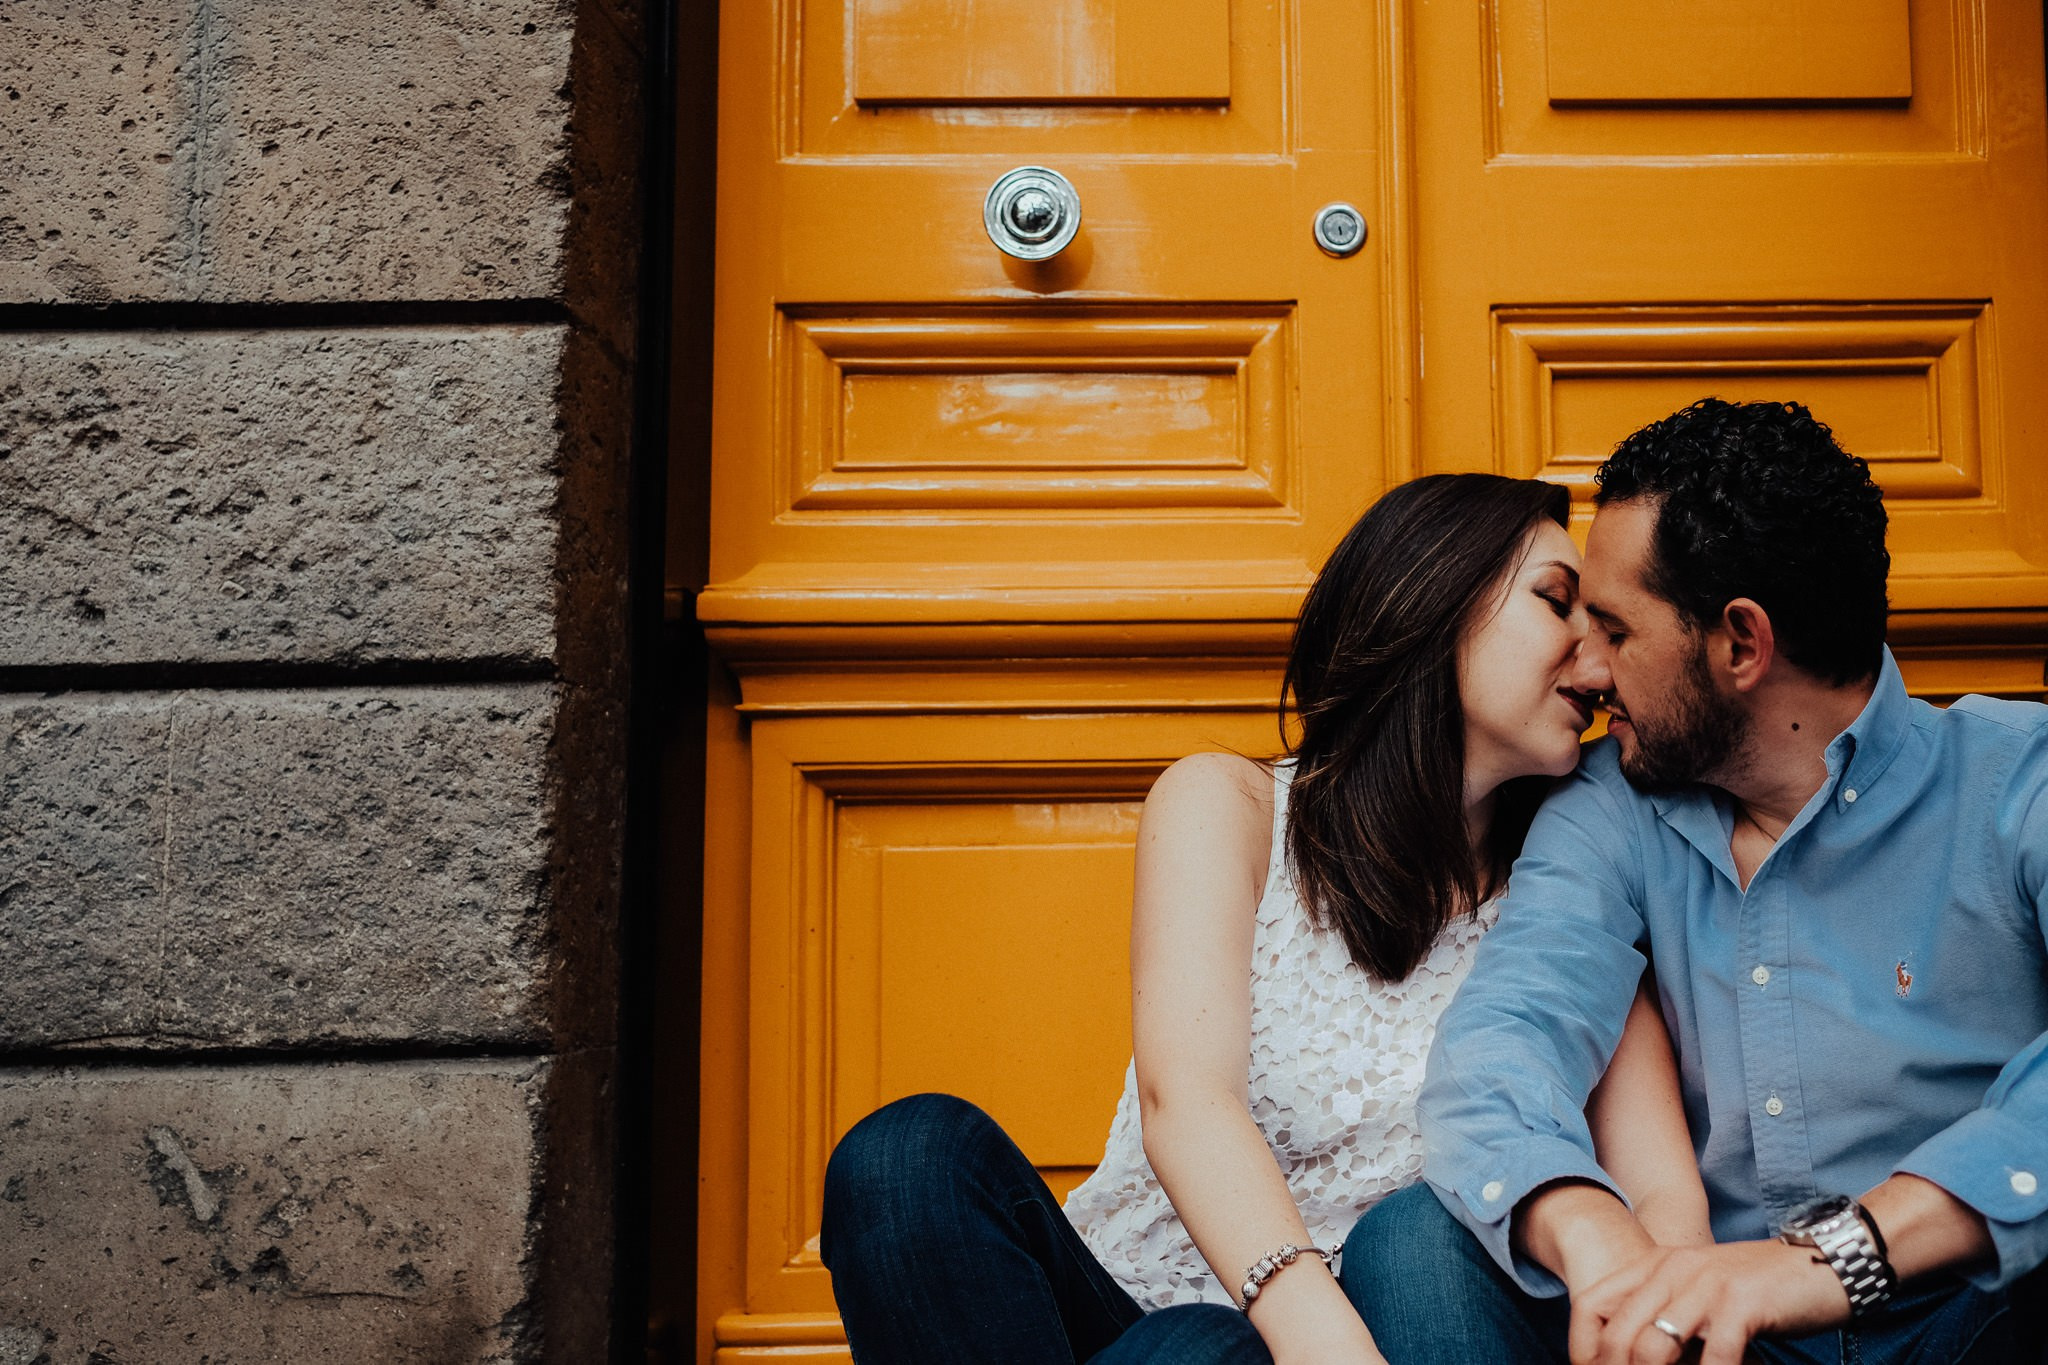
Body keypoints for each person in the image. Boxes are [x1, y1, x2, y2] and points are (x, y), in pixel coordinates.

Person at [819, 474, 1711, 1365]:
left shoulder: (1571, 904)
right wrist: (1325, 1347)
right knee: (904, 1158)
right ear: (1432, 596)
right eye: (1557, 601)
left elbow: (1661, 1204)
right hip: (1131, 1324)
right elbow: (1186, 1099)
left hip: (1367, 1336)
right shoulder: (1229, 807)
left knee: (1199, 1346)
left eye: (1609, 627)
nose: (1601, 664)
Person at [1341, 399, 2048, 1365]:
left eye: (1615, 629)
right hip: (1712, 1334)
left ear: (1741, 644)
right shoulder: (1608, 808)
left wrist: (1832, 1261)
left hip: (1970, 1315)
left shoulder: (2019, 782)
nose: (1589, 670)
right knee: (1413, 1240)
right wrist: (1596, 1236)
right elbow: (1505, 1040)